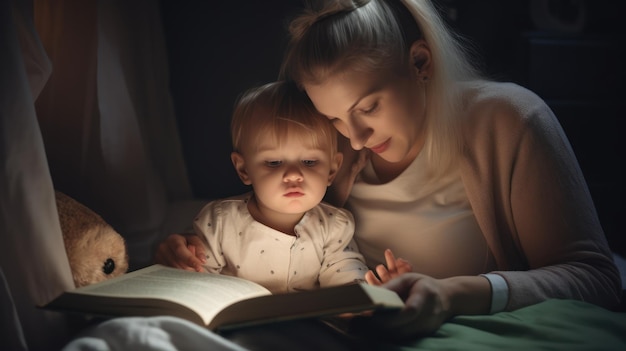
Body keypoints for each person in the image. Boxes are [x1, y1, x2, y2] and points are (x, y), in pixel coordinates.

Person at [157, 0, 622, 339]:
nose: (354, 137)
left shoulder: (508, 120)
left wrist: (454, 294)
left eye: (369, 107)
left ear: (420, 62)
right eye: (335, 118)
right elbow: (271, 205)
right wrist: (191, 246)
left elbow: (596, 278)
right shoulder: (340, 149)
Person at [155, 80, 410, 293]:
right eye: (274, 162)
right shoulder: (220, 222)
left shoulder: (334, 227)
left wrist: (376, 291)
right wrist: (184, 266)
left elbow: (345, 279)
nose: (293, 175)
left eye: (309, 162)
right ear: (244, 169)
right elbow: (196, 279)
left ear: (331, 170)